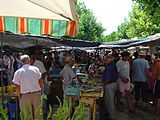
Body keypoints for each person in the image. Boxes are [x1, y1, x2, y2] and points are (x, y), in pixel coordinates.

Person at [12, 55, 43, 120]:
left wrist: (19, 96)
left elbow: (17, 86)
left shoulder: (18, 72)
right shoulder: (36, 69)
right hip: (36, 94)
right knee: (38, 115)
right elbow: (40, 81)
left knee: (27, 116)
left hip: (25, 95)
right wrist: (40, 92)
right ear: (29, 61)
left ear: (21, 62)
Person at [102, 54, 118, 120]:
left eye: (105, 60)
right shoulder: (113, 65)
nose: (104, 61)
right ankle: (109, 114)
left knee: (110, 101)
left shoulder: (109, 67)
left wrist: (102, 84)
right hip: (113, 84)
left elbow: (108, 79)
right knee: (109, 100)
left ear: (109, 60)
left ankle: (112, 117)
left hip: (110, 85)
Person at [152, 50, 160, 119]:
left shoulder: (157, 63)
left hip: (159, 81)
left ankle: (157, 114)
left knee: (158, 98)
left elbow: (153, 75)